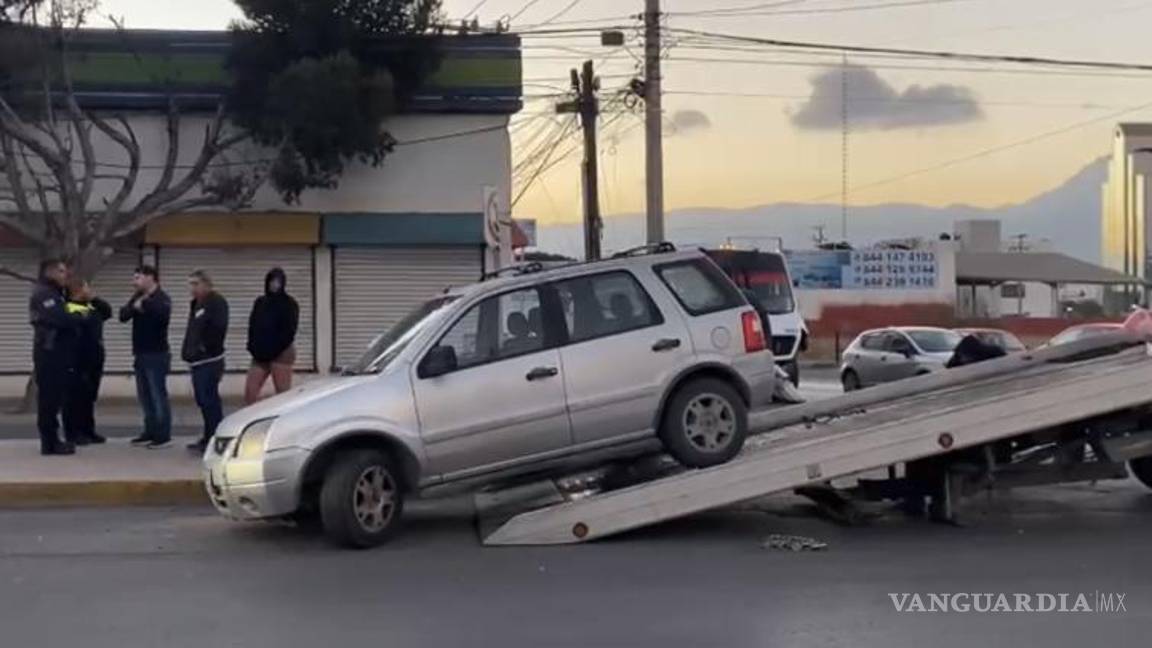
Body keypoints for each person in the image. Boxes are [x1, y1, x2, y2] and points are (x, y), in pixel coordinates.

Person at [119, 265, 173, 450]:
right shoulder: (137, 297)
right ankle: (150, 431)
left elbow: (161, 315)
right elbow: (123, 315)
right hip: (140, 353)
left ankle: (163, 435)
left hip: (157, 354)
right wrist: (136, 305)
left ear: (151, 278)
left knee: (158, 395)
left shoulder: (161, 298)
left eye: (138, 278)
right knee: (145, 396)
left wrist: (144, 305)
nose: (134, 282)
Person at [29, 259, 77, 455]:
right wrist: (77, 315)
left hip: (57, 353)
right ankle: (50, 442)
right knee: (49, 399)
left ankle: (53, 440)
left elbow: (69, 313)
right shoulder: (44, 294)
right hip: (49, 354)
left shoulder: (56, 294)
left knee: (55, 398)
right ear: (50, 272)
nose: (65, 274)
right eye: (61, 271)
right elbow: (61, 318)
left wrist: (78, 310)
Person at [183, 270, 229, 453]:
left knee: (209, 400)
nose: (192, 288)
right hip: (197, 361)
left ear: (207, 284)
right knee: (202, 400)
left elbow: (219, 328)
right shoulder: (196, 304)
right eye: (190, 284)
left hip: (210, 361)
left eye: (196, 284)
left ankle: (216, 438)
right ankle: (208, 435)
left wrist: (204, 348)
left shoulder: (216, 302)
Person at [63, 279, 112, 445]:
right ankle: (73, 433)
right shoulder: (69, 308)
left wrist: (94, 298)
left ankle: (88, 430)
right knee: (75, 399)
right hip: (77, 360)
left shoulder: (91, 306)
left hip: (94, 359)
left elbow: (107, 311)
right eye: (85, 287)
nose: (88, 290)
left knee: (89, 398)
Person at [244, 267, 299, 404]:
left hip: (281, 354)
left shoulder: (289, 304)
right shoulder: (260, 302)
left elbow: (289, 331)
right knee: (250, 392)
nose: (274, 285)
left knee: (283, 395)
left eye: (278, 282)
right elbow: (252, 325)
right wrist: (251, 346)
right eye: (272, 281)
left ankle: (285, 423)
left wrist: (274, 349)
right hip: (259, 354)